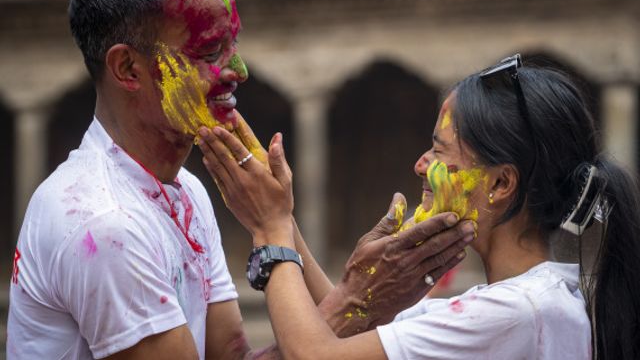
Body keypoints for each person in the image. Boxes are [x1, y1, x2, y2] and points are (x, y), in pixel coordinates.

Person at [7, 0, 474, 359]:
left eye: (233, 45)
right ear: (128, 68)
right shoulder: (105, 226)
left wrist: (286, 229)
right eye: (210, 52)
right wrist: (357, 300)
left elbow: (231, 355)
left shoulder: (183, 191)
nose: (238, 69)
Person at [197, 54, 640, 359]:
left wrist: (270, 232)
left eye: (440, 152)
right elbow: (350, 327)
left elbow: (311, 354)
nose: (420, 164)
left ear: (502, 183)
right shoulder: (526, 299)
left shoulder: (518, 311)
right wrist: (282, 214)